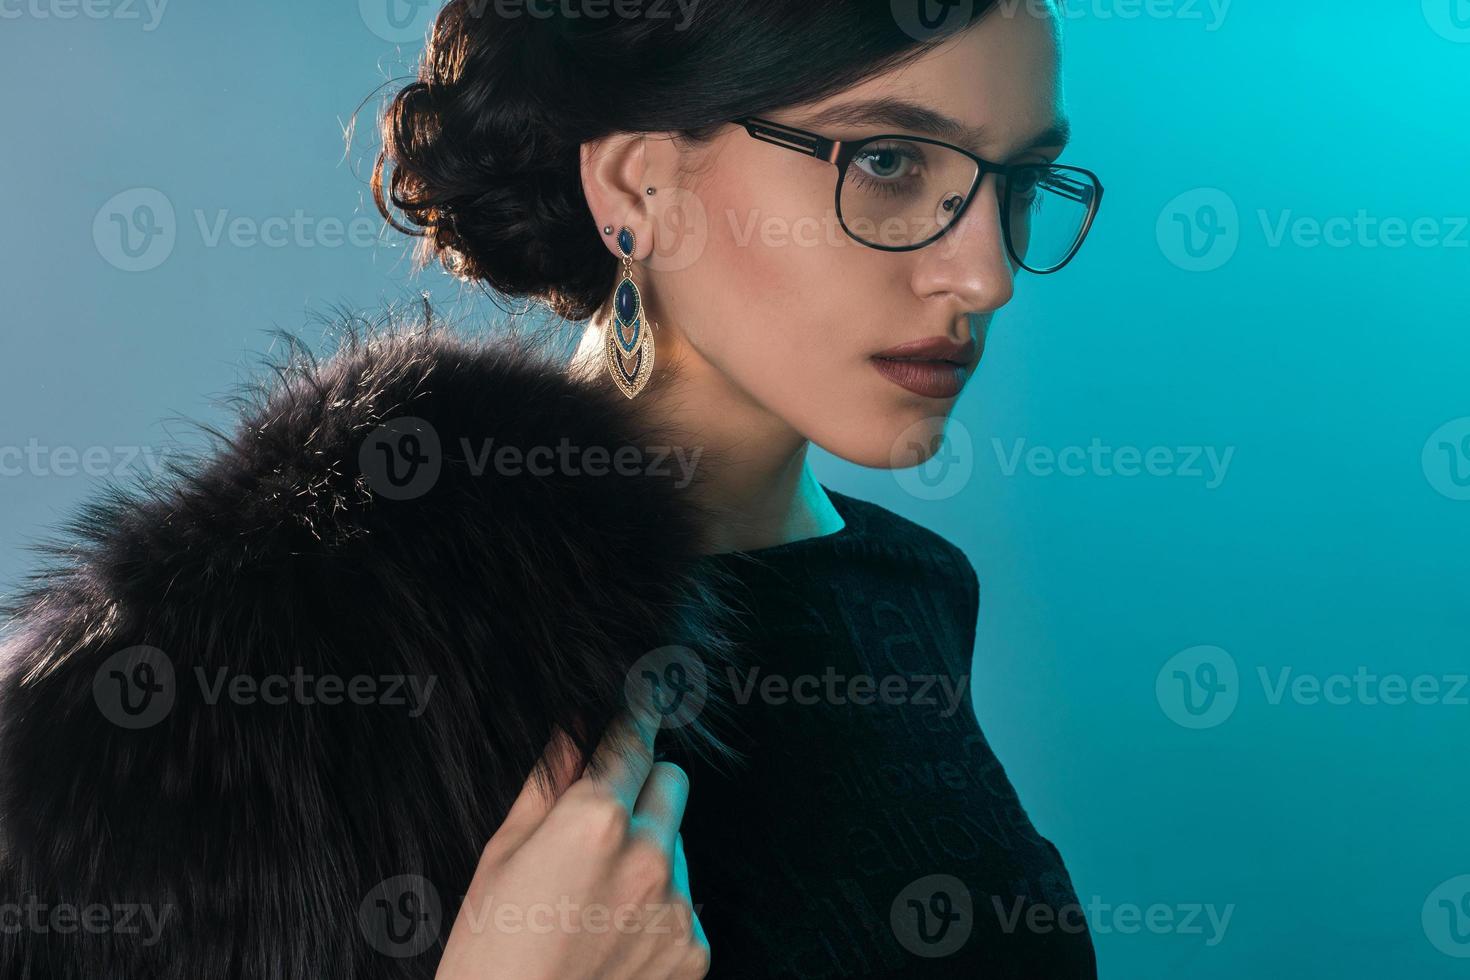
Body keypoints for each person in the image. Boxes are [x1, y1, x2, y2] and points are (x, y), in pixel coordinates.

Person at [0, 1, 1102, 977]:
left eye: (1017, 182)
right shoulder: (313, 652)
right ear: (636, 184)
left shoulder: (908, 591)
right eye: (892, 162)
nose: (987, 272)